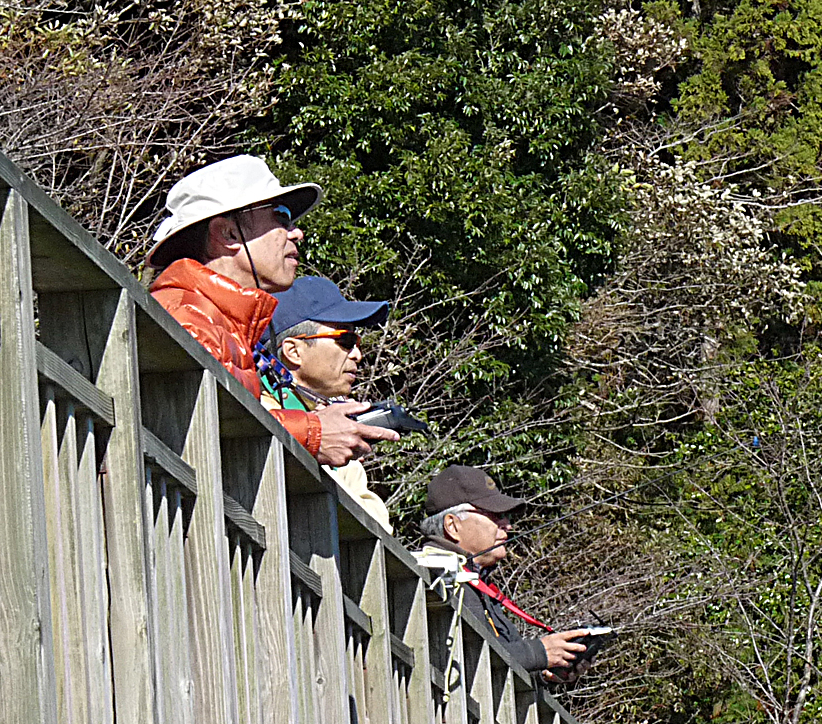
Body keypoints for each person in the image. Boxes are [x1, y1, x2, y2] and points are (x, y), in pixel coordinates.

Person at [146, 155, 397, 466]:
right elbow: (203, 427)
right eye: (281, 217)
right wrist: (313, 433)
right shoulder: (189, 318)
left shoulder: (216, 321)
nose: (296, 232)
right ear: (228, 234)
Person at [415, 466, 589, 681]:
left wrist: (545, 674)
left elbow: (494, 664)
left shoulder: (474, 582)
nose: (507, 525)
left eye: (505, 516)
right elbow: (464, 658)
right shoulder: (435, 578)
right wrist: (537, 653)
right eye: (494, 515)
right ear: (452, 525)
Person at [263, 276, 393, 532]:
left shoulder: (335, 432)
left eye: (357, 343)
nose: (357, 354)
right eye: (345, 341)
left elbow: (379, 525)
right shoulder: (257, 408)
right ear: (293, 351)